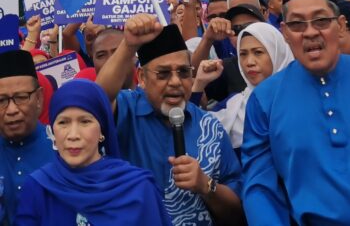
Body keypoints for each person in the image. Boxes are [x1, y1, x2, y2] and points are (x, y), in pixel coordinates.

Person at [96, 14, 244, 225]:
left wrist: (206, 185)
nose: (175, 82)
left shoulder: (209, 127)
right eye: (163, 73)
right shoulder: (125, 110)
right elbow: (97, 100)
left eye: (183, 72)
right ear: (142, 78)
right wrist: (128, 45)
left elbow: (236, 212)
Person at [241, 0, 349, 224]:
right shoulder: (265, 99)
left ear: (340, 26)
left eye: (321, 20)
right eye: (297, 24)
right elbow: (260, 189)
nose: (310, 32)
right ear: (285, 33)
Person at [14, 79, 171, 226]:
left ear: (102, 129)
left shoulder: (138, 188)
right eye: (63, 122)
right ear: (52, 130)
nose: (73, 135)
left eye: (85, 121)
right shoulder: (39, 187)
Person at [193, 22, 293, 152]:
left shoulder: (299, 99)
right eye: (243, 54)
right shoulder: (235, 105)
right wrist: (199, 84)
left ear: (277, 53)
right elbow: (192, 128)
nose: (249, 62)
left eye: (258, 52)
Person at [0, 50, 54, 225]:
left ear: (39, 98)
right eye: (1, 101)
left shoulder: (63, 148)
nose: (12, 110)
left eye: (21, 98)